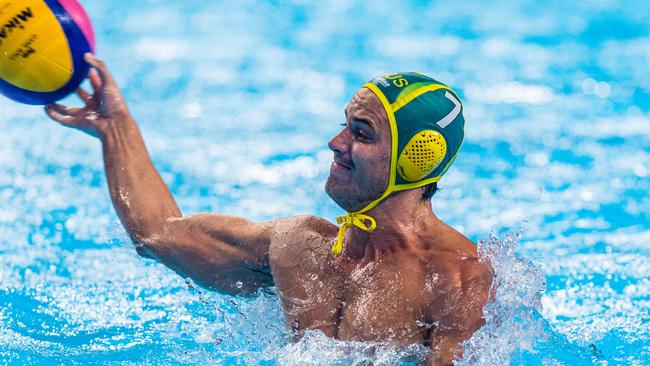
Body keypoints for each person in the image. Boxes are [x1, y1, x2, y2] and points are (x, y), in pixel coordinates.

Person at [45, 53, 494, 365]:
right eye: (344, 125)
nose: (336, 143)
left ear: (415, 159)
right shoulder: (299, 247)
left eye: (361, 133)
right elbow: (158, 233)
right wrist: (115, 129)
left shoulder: (456, 280)